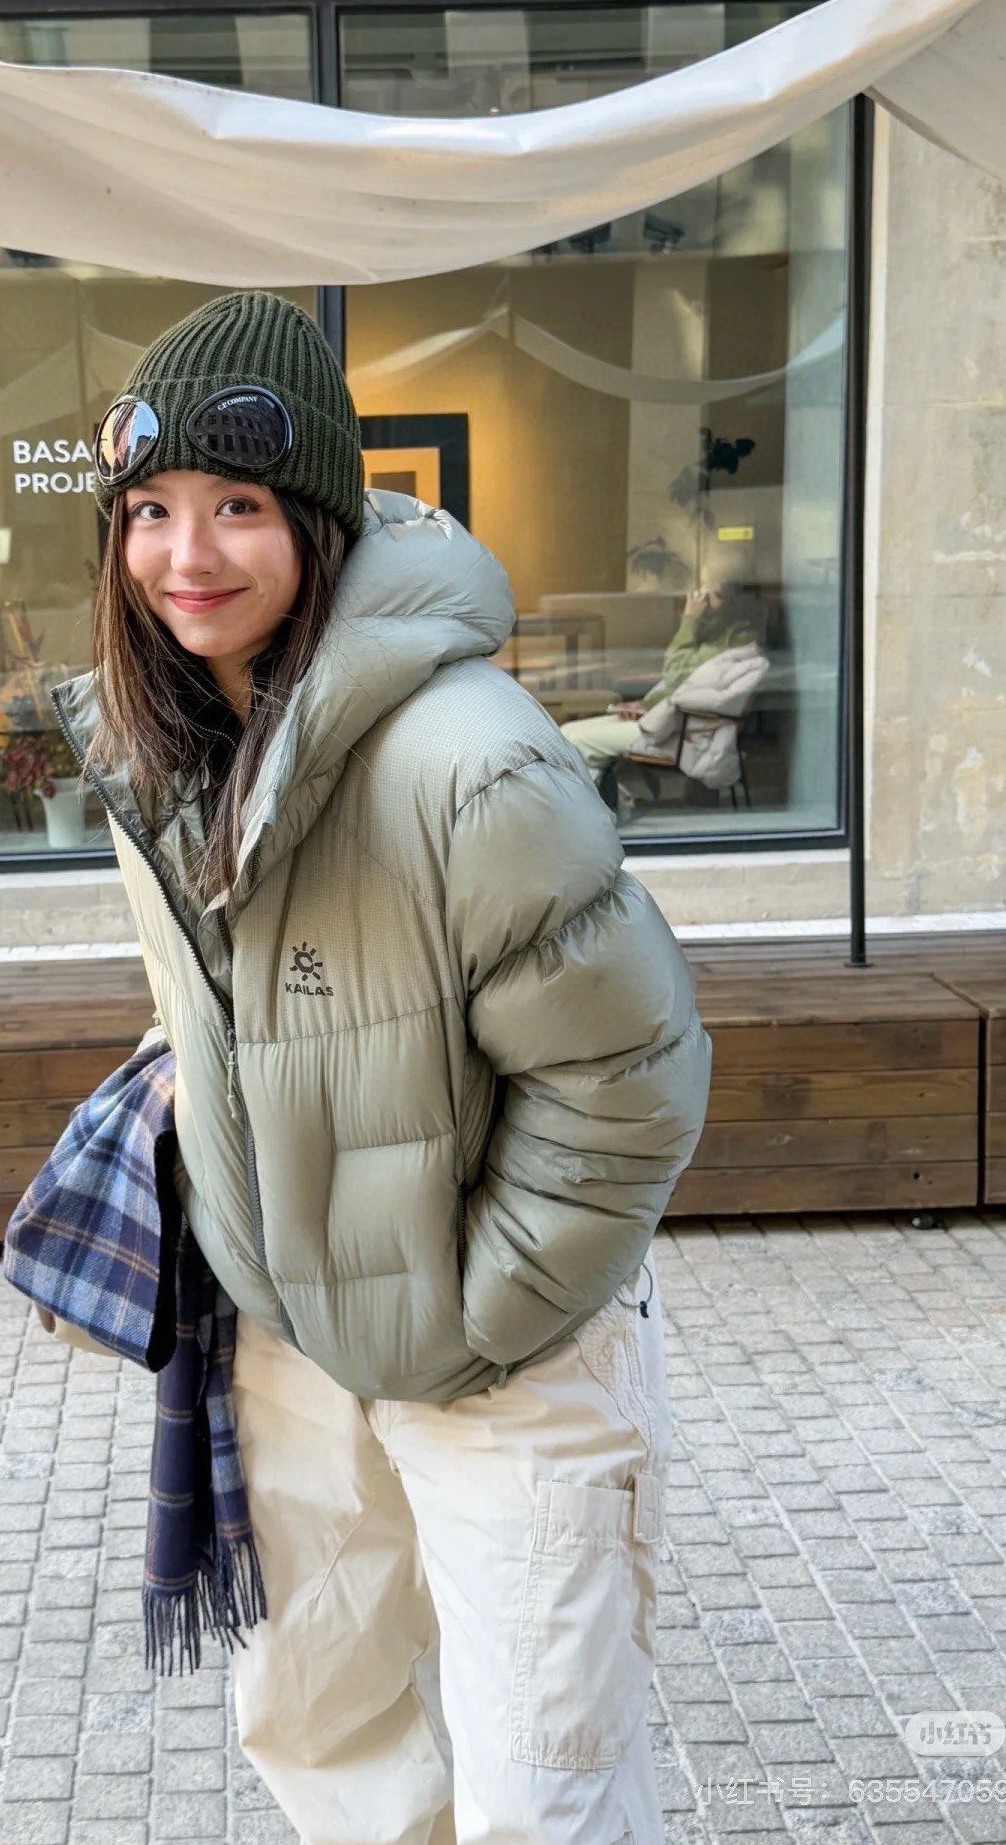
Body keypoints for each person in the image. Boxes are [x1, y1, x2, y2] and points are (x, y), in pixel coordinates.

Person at [52, 290, 713, 1845]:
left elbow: (629, 1077)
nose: (186, 554)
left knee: (541, 1787)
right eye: (150, 510)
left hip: (505, 1356)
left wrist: (481, 1310)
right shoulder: (168, 747)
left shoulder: (469, 759)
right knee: (323, 1728)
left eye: (237, 506)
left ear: (319, 521)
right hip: (286, 1335)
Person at [559, 551, 766, 789]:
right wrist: (647, 705)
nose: (700, 595)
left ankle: (591, 805)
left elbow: (676, 674)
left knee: (574, 743)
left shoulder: (734, 641)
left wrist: (689, 620)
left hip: (676, 735)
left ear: (728, 595)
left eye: (709, 588)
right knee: (566, 733)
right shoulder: (726, 633)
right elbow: (689, 686)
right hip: (670, 724)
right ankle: (604, 801)